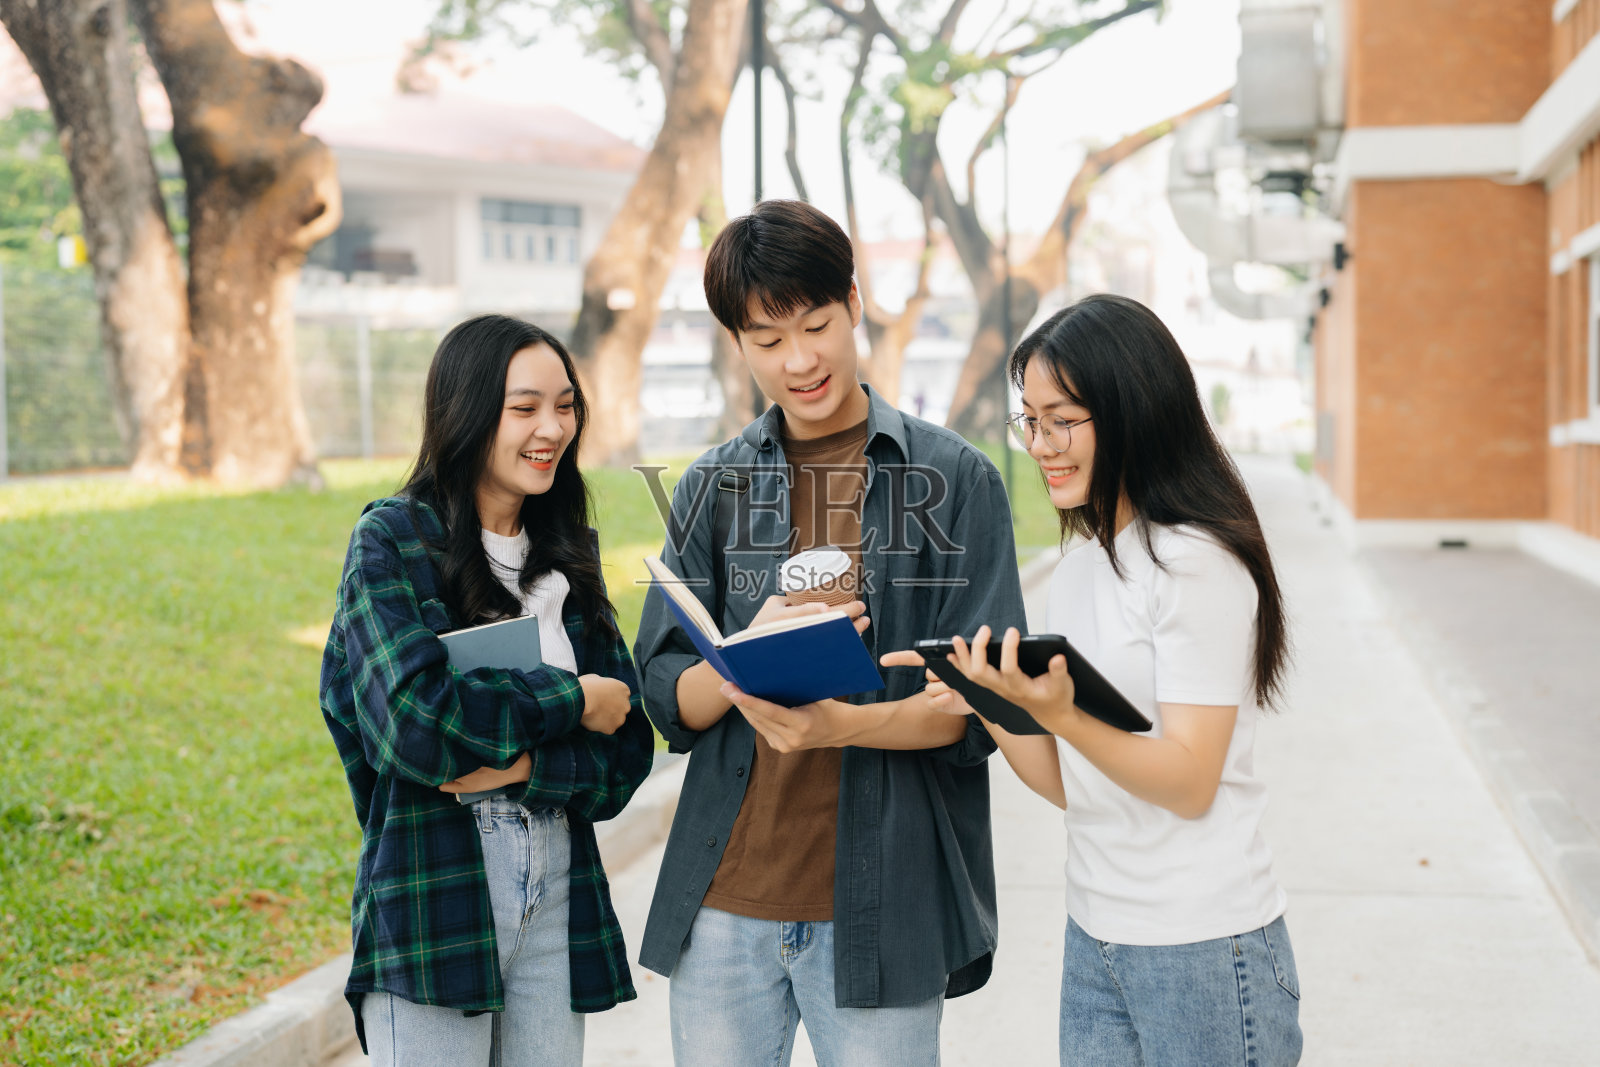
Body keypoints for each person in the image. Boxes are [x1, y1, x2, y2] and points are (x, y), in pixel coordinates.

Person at [632, 199, 1027, 1066]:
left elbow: (974, 708)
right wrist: (745, 657)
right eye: (768, 341)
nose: (800, 359)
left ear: (854, 303)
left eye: (816, 325)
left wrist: (839, 724)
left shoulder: (956, 480)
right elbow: (665, 689)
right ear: (737, 343)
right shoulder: (711, 485)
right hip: (725, 899)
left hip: (885, 904)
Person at [889, 293, 1302, 1066]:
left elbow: (1188, 780)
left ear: (1133, 410)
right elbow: (1074, 784)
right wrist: (991, 700)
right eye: (1031, 420)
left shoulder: (1196, 561)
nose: (1041, 443)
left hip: (1205, 946)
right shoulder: (1079, 571)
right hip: (1097, 935)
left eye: (1063, 419)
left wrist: (1065, 715)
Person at [319, 314, 654, 1066]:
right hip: (437, 888)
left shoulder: (567, 552)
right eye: (525, 406)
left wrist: (522, 767)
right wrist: (570, 701)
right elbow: (414, 723)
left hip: (559, 890)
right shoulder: (392, 541)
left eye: (565, 404)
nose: (553, 427)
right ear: (468, 412)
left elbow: (629, 744)